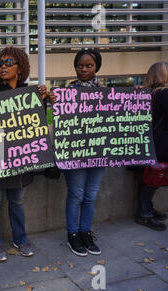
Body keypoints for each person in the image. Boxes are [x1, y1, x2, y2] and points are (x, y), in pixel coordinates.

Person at [0, 46, 54, 262]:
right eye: (0, 63)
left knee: (17, 201)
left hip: (20, 160)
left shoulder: (30, 93)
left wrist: (43, 101)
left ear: (20, 68)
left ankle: (20, 239)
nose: (3, 66)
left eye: (8, 63)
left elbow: (37, 125)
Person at [63, 48, 104, 257]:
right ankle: (73, 234)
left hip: (99, 152)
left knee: (90, 196)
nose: (84, 69)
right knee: (76, 194)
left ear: (97, 67)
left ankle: (86, 232)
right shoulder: (67, 92)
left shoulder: (108, 93)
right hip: (75, 154)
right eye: (80, 65)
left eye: (89, 65)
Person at [135, 62, 168, 231]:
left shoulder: (148, 93)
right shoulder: (166, 94)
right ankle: (144, 214)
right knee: (153, 179)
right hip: (161, 143)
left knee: (149, 178)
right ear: (164, 75)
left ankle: (147, 210)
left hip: (148, 141)